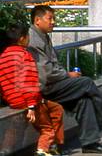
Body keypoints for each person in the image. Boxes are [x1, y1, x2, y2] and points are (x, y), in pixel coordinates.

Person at [28, 5, 102, 154]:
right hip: (45, 88)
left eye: (54, 18)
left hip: (54, 84)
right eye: (50, 18)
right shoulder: (34, 40)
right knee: (86, 83)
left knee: (84, 101)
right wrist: (67, 75)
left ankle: (90, 143)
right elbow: (46, 73)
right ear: (37, 20)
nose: (54, 22)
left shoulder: (43, 35)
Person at [1, 22, 66, 156]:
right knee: (47, 128)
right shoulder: (25, 56)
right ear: (22, 38)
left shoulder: (3, 57)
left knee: (56, 108)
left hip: (13, 101)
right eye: (28, 36)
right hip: (30, 100)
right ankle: (43, 150)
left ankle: (55, 145)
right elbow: (28, 81)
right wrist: (31, 105)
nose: (29, 39)